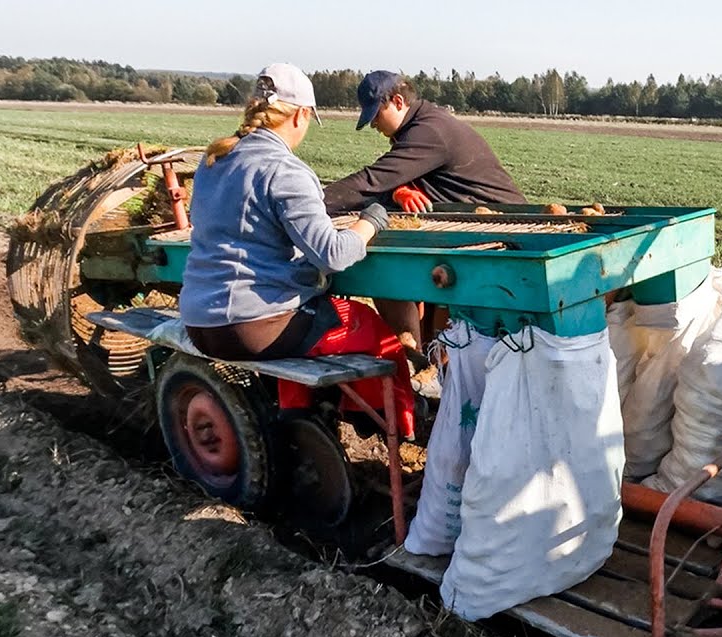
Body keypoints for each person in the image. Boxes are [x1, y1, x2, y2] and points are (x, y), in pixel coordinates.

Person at [178, 63, 417, 438]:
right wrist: (372, 219)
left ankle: (299, 417)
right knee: (374, 331)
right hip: (251, 327)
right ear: (301, 114)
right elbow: (333, 254)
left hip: (199, 321)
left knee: (307, 311)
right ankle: (400, 429)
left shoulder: (214, 160)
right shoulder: (284, 170)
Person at [323, 71, 527, 360]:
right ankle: (422, 362)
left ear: (396, 101)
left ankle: (430, 366)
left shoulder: (429, 131)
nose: (374, 125)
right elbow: (396, 179)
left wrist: (314, 204)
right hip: (463, 227)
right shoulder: (420, 125)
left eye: (376, 115)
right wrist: (398, 191)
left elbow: (373, 181)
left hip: (503, 232)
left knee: (393, 270)